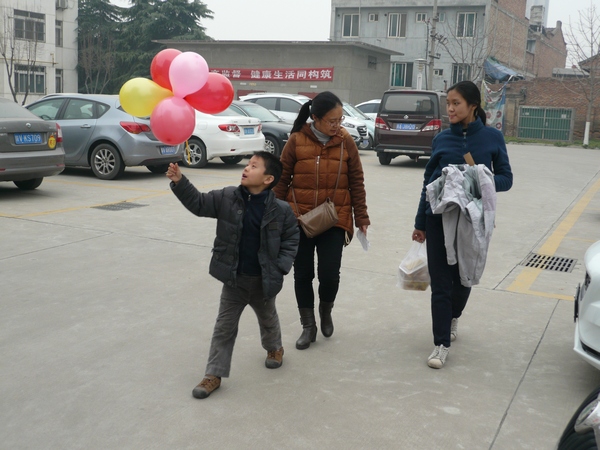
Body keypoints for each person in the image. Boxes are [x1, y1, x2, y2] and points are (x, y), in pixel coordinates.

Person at [167, 151, 299, 398]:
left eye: (254, 166)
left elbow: (292, 238)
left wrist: (281, 266)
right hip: (234, 280)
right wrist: (179, 181)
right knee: (224, 328)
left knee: (268, 319)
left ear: (268, 179)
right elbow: (199, 203)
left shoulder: (281, 210)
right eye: (247, 164)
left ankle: (274, 348)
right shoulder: (228, 197)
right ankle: (212, 375)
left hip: (263, 281)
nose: (247, 168)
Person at [412, 80, 513, 369]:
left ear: (473, 105)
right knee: (441, 283)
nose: (451, 108)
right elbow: (428, 183)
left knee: (463, 279)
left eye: (456, 103)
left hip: (473, 221)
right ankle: (440, 344)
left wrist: (479, 178)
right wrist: (420, 221)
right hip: (438, 219)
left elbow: (506, 178)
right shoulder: (442, 139)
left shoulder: (492, 138)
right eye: (448, 103)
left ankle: (454, 315)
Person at [273, 91, 370, 350]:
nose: (337, 126)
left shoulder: (345, 141)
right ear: (315, 118)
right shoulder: (296, 141)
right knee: (302, 274)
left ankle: (325, 311)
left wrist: (361, 216)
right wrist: (270, 214)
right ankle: (308, 325)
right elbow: (282, 180)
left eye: (340, 120)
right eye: (332, 121)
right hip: (299, 218)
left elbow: (356, 180)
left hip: (334, 217)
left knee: (329, 274)